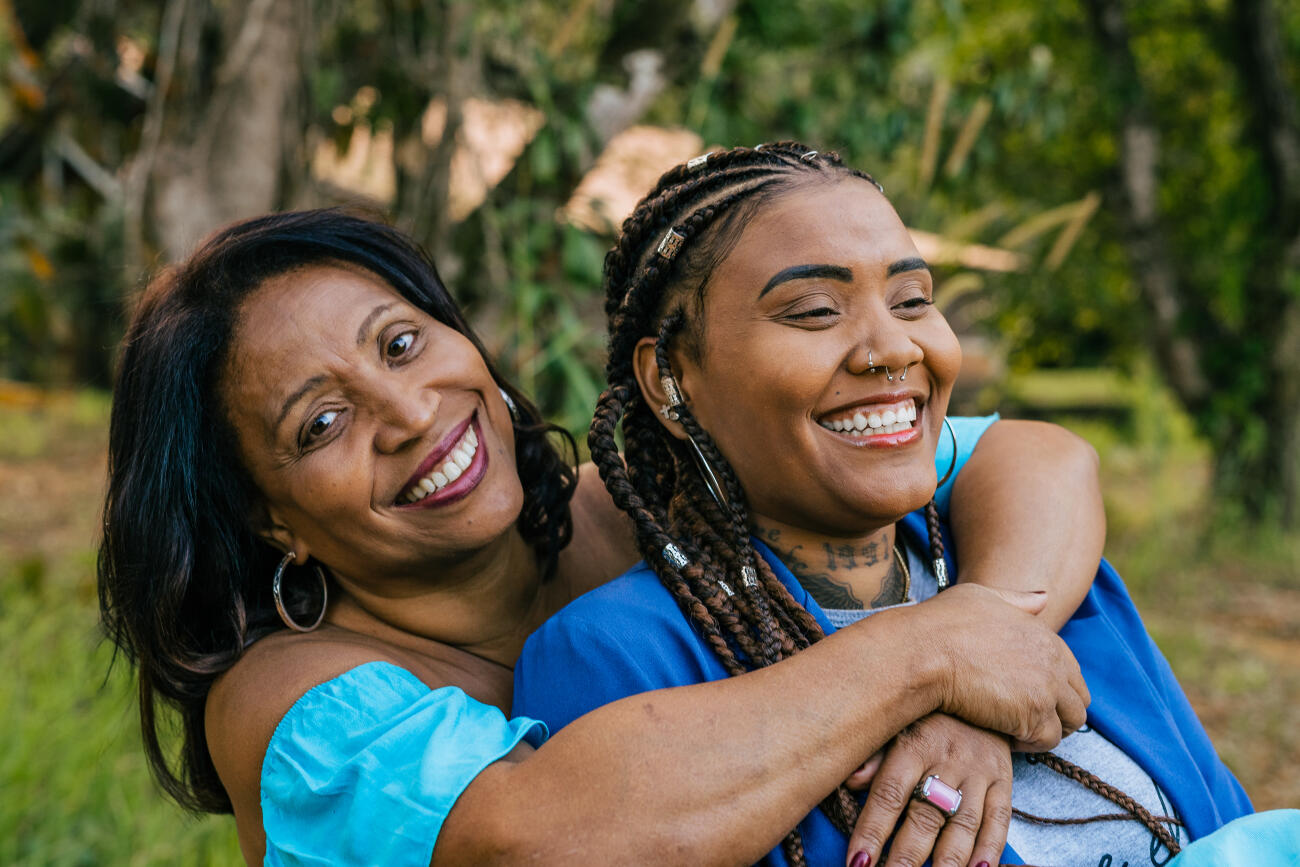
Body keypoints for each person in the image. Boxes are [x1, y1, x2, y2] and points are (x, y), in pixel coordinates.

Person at [97, 209, 1102, 866]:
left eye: (402, 345)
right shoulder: (294, 704)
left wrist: (984, 635)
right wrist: (924, 657)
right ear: (269, 517)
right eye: (320, 425)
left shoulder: (637, 501)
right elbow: (552, 842)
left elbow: (1030, 460)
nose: (407, 413)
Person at [512, 143, 1254, 867]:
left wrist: (972, 689)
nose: (892, 347)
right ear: (670, 379)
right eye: (813, 310)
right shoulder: (616, 654)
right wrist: (935, 667)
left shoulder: (1053, 579)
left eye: (913, 300)